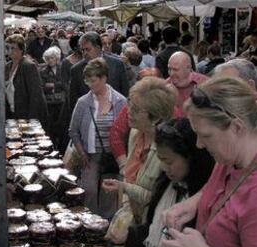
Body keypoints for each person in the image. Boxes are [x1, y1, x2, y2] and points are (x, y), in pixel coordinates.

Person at [162, 77, 257, 247]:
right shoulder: (230, 157)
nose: (199, 144)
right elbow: (221, 187)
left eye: (206, 136)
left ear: (236, 127)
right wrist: (193, 203)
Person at [114, 118, 214, 247]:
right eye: (160, 160)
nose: (163, 167)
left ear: (192, 158)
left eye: (168, 161)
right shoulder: (166, 186)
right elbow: (153, 228)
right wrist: (130, 235)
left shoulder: (201, 202)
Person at [103, 77, 176, 224]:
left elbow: (159, 199)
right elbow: (129, 175)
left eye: (135, 109)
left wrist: (124, 187)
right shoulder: (135, 133)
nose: (128, 112)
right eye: (129, 105)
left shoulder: (167, 152)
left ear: (155, 118)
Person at [69, 57, 126, 218]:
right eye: (88, 81)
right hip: (90, 156)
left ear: (103, 78)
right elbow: (73, 131)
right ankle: (90, 222)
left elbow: (126, 131)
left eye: (93, 81)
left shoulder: (120, 101)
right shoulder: (83, 102)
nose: (90, 85)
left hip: (112, 157)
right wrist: (81, 153)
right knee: (89, 191)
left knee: (109, 194)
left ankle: (106, 225)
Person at [69, 31, 130, 112]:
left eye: (87, 49)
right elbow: (73, 100)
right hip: (89, 118)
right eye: (82, 50)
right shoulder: (76, 70)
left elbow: (125, 92)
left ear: (98, 48)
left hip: (115, 116)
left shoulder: (117, 65)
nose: (84, 53)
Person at [5, 34, 48, 128]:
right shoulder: (7, 66)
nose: (9, 51)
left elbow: (35, 95)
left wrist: (31, 120)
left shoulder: (28, 66)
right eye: (8, 48)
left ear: (21, 49)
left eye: (13, 48)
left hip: (26, 114)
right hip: (12, 114)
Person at [40, 46, 65, 148]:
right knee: (50, 125)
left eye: (52, 58)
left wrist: (54, 85)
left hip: (61, 102)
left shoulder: (62, 69)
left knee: (61, 124)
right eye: (48, 58)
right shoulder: (43, 71)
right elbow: (42, 86)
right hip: (49, 102)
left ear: (57, 58)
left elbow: (64, 84)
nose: (50, 60)